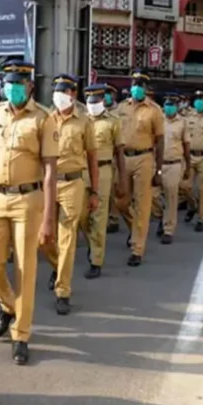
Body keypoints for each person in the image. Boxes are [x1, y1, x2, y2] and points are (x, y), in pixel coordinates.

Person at [0, 59, 59, 364]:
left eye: (19, 83)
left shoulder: (43, 118)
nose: (13, 88)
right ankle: (9, 306)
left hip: (29, 199)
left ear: (29, 86)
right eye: (9, 83)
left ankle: (21, 334)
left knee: (25, 269)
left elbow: (50, 171)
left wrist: (48, 218)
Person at [43, 73, 98, 315]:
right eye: (57, 90)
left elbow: (93, 158)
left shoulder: (84, 121)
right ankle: (58, 267)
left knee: (67, 238)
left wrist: (94, 191)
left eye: (64, 90)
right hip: (47, 183)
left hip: (73, 183)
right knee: (42, 238)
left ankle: (62, 290)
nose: (60, 94)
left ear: (73, 94)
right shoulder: (45, 119)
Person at [113, 70, 164, 267]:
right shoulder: (121, 108)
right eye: (134, 83)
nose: (136, 87)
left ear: (146, 88)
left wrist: (158, 170)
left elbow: (160, 141)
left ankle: (137, 248)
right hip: (124, 159)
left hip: (144, 157)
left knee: (142, 204)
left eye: (140, 84)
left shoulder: (154, 110)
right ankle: (135, 229)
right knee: (121, 201)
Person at [79, 83, 126, 276]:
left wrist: (122, 178)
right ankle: (92, 244)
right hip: (82, 172)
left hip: (104, 170)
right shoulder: (80, 121)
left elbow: (120, 152)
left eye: (96, 101)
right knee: (81, 215)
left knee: (99, 215)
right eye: (90, 101)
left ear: (102, 101)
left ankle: (96, 260)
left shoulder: (113, 121)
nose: (93, 104)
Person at [179, 90, 203, 232]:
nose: (199, 101)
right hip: (189, 156)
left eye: (202, 99)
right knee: (184, 186)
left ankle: (201, 218)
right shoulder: (188, 117)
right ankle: (193, 205)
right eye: (196, 99)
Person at [154, 95, 191, 243]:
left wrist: (188, 166)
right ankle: (162, 216)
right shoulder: (158, 121)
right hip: (158, 164)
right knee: (153, 196)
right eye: (167, 104)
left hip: (174, 164)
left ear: (176, 106)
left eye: (172, 104)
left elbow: (186, 145)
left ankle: (168, 229)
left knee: (171, 196)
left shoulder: (182, 123)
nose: (169, 107)